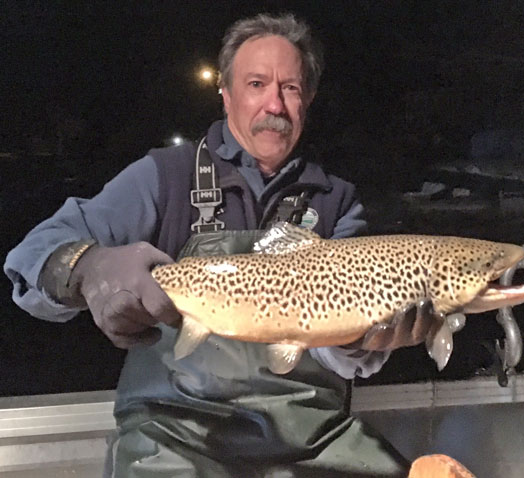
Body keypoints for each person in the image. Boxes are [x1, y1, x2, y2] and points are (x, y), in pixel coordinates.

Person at [4, 13, 469, 478]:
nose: (275, 104)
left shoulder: (337, 202)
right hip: (174, 435)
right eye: (256, 84)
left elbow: (342, 360)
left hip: (310, 439)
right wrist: (88, 268)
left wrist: (365, 340)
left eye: (290, 88)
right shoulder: (165, 177)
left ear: (307, 99)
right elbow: (32, 255)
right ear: (225, 94)